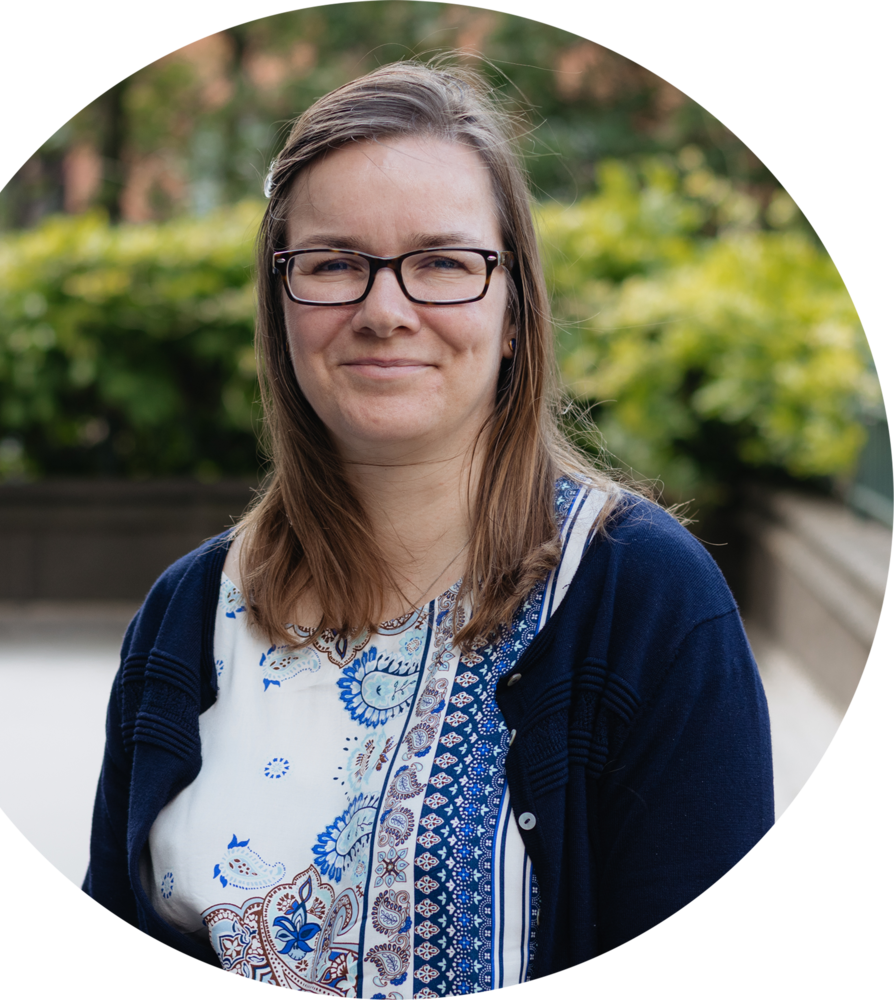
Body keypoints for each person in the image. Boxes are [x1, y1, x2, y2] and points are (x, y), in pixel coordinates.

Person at [83, 59, 773, 988]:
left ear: (515, 310)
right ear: (280, 303)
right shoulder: (184, 615)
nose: (384, 310)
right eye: (332, 264)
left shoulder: (645, 602)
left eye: (442, 263)